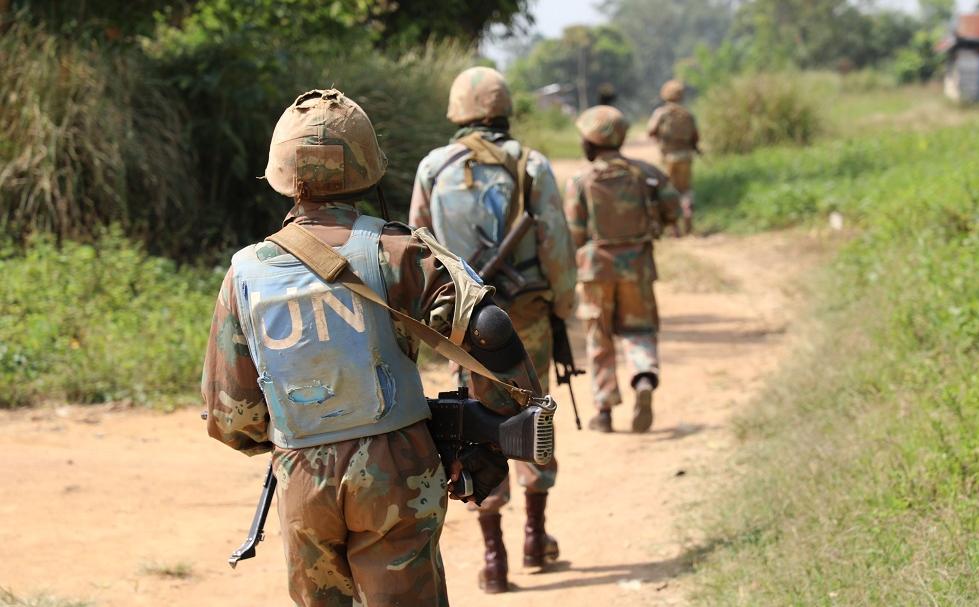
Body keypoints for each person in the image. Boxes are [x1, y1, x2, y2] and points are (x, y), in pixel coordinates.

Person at [202, 88, 543, 607]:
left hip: (302, 474)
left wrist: (303, 434)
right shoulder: (398, 251)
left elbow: (231, 418)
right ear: (367, 170)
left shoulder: (244, 273)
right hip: (397, 468)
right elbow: (489, 330)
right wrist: (494, 440)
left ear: (280, 175)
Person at [410, 66, 576, 594]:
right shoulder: (532, 164)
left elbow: (419, 250)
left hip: (463, 323)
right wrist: (564, 304)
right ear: (506, 109)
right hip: (525, 315)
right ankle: (535, 536)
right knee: (534, 414)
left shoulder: (434, 167)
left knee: (477, 425)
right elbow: (556, 244)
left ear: (457, 111)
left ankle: (494, 556)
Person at [564, 105, 680, 434]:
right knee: (639, 330)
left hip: (595, 271)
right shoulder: (647, 173)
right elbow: (673, 209)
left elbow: (574, 233)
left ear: (589, 141)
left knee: (599, 337)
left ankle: (603, 412)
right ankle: (643, 378)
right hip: (638, 268)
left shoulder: (579, 181)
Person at [646, 79, 699, 236]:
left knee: (669, 191)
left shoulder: (661, 113)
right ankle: (688, 216)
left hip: (668, 157)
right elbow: (695, 137)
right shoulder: (687, 114)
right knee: (685, 190)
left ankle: (674, 227)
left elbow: (651, 130)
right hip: (686, 157)